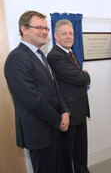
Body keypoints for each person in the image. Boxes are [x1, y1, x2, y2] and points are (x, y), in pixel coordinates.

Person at [4, 11, 70, 173]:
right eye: (39, 27)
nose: (44, 32)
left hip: (54, 126)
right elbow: (33, 99)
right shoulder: (17, 58)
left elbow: (54, 88)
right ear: (24, 30)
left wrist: (65, 111)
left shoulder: (40, 55)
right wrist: (58, 120)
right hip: (40, 132)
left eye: (46, 28)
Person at [47, 19, 91, 173]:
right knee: (67, 155)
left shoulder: (69, 52)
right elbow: (81, 78)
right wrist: (84, 75)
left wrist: (82, 75)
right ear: (56, 36)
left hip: (79, 110)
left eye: (71, 33)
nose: (68, 36)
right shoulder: (55, 56)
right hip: (68, 113)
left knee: (80, 151)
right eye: (64, 33)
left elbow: (78, 77)